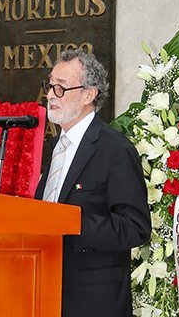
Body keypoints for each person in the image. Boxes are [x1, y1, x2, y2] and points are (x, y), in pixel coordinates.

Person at [35, 49, 151, 317]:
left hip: (93, 300)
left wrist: (71, 223)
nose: (50, 94)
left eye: (61, 88)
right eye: (49, 85)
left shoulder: (115, 150)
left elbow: (136, 227)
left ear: (89, 94)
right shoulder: (55, 146)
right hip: (44, 287)